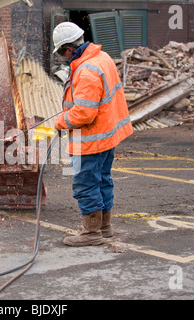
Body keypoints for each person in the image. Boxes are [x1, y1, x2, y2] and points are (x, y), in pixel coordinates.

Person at [53, 22, 133, 246]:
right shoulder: (102, 58)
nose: (60, 57)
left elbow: (84, 114)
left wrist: (60, 122)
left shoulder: (86, 70)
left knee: (86, 184)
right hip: (107, 136)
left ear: (68, 48)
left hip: (91, 139)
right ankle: (104, 227)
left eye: (60, 51)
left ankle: (91, 233)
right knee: (102, 180)